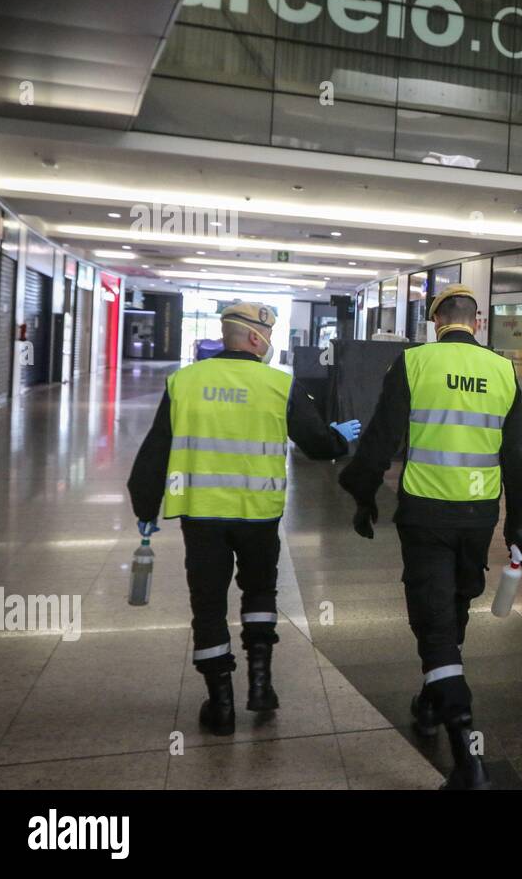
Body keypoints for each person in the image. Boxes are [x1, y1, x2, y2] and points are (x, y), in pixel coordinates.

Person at [339, 284, 522, 790]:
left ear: (435, 322)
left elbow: (381, 437)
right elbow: (518, 457)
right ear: (477, 323)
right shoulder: (502, 371)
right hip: (479, 516)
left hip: (426, 514)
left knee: (433, 625)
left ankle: (467, 756)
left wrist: (363, 494)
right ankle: (431, 702)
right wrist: (518, 520)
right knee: (450, 612)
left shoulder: (415, 363)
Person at [128, 302, 360, 736]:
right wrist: (337, 437)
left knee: (208, 602)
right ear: (256, 338)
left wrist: (145, 507)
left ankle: (220, 706)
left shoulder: (184, 382)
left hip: (201, 514)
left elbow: (156, 448)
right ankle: (260, 685)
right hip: (258, 515)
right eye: (268, 336)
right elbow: (317, 445)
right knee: (259, 592)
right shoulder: (278, 385)